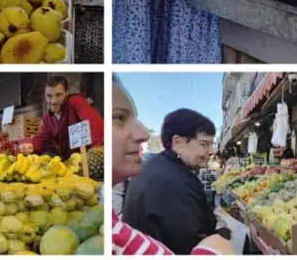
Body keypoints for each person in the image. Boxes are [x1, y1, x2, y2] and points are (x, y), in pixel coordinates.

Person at [111, 76, 230, 255]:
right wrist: (221, 237)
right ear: (178, 142)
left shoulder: (156, 167)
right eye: (204, 144)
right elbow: (189, 244)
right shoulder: (176, 182)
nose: (211, 151)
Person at [20, 76, 104, 157]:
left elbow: (95, 124)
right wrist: (31, 145)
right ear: (45, 96)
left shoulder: (76, 102)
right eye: (49, 96)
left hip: (88, 158)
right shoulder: (47, 118)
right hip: (69, 162)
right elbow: (42, 138)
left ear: (66, 93)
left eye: (58, 95)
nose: (53, 101)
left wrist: (94, 152)